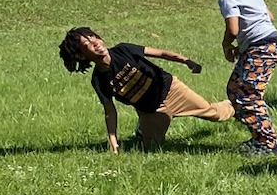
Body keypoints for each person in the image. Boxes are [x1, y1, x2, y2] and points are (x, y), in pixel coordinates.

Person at [59, 27, 233, 151]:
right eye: (87, 43)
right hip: (151, 111)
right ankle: (142, 129)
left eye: (93, 36)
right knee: (152, 149)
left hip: (173, 91)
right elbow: (110, 111)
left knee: (215, 114)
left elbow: (161, 53)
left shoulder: (123, 50)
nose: (95, 42)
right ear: (81, 55)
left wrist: (186, 61)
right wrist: (113, 141)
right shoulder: (99, 80)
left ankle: (236, 103)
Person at [209, 0, 277, 156]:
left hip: (261, 47)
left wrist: (227, 45)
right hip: (270, 44)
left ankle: (268, 144)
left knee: (247, 95)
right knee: (235, 89)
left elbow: (233, 29)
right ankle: (258, 138)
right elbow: (269, 15)